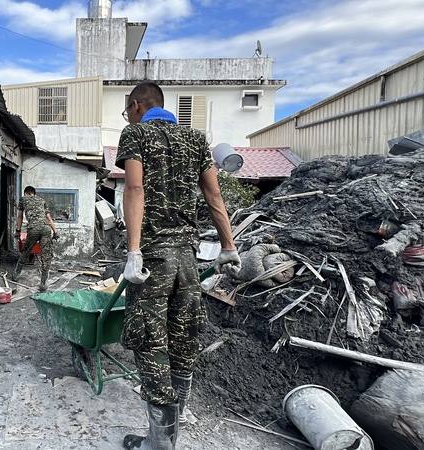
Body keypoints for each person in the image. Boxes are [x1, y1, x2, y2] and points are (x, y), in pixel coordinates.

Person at [117, 82, 241, 449]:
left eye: (127, 111)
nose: (128, 116)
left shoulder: (135, 134)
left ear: (137, 105)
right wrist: (229, 245)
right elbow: (213, 193)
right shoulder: (195, 139)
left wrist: (134, 251)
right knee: (183, 337)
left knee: (150, 340)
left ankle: (158, 444)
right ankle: (171, 437)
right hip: (187, 257)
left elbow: (134, 189)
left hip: (154, 257)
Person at [13, 186, 59, 291]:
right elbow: (48, 218)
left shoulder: (23, 199)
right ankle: (43, 284)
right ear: (34, 193)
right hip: (46, 229)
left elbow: (20, 216)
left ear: (26, 193)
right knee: (46, 255)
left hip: (33, 229)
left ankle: (16, 275)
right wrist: (56, 231)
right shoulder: (42, 201)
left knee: (26, 251)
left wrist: (18, 231)